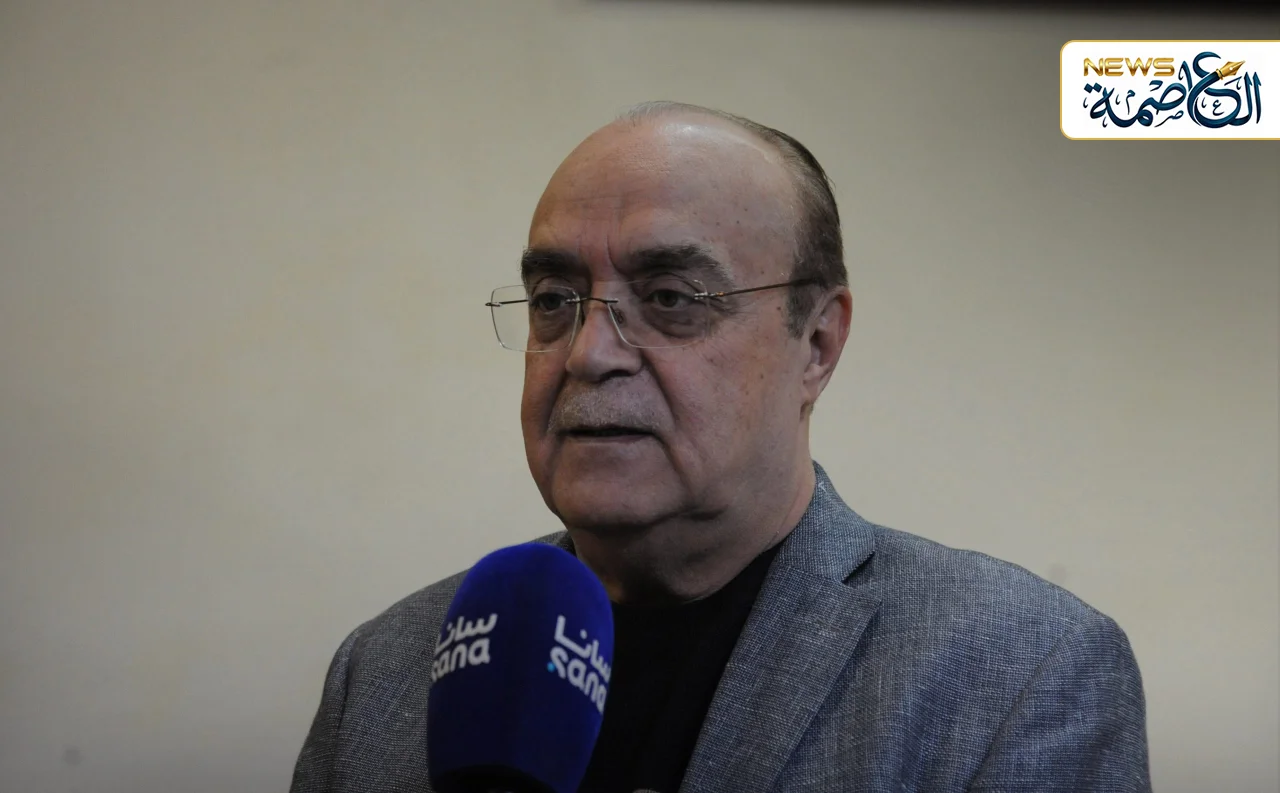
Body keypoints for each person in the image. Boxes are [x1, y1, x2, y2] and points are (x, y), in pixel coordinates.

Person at [289, 102, 1151, 793]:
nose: (587, 353)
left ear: (816, 344)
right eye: (553, 299)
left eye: (671, 297)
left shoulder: (1015, 671)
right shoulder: (385, 670)